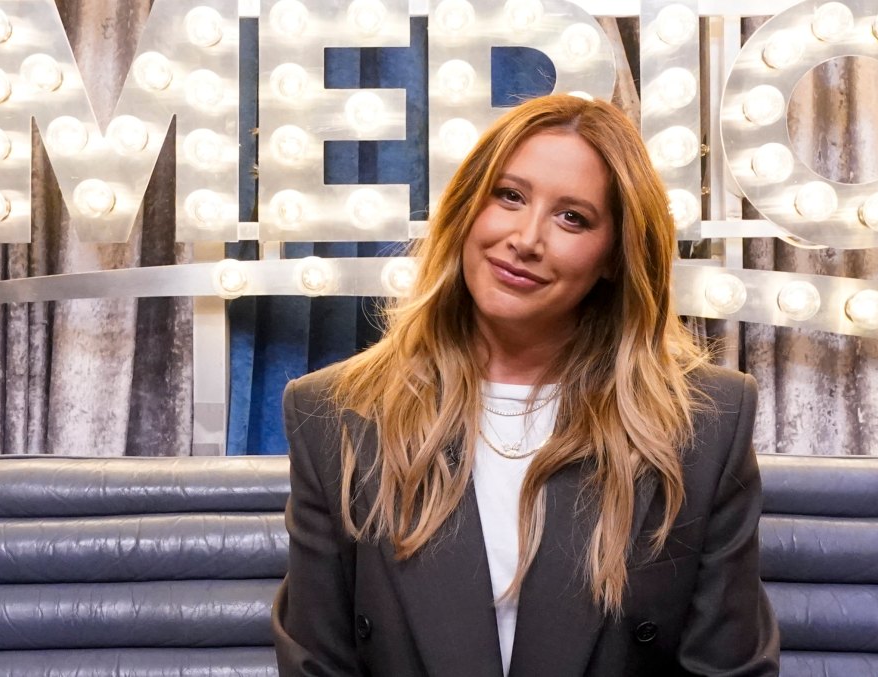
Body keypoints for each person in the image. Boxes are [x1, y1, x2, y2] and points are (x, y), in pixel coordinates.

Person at [272, 93, 779, 677]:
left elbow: (730, 670)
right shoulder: (335, 413)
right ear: (466, 209)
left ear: (614, 256)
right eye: (509, 196)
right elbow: (318, 663)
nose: (527, 238)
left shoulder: (708, 423)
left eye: (573, 218)